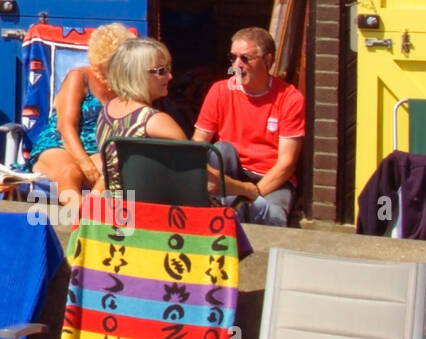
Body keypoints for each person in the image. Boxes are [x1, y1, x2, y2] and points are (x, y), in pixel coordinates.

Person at [192, 27, 305, 227]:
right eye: (232, 58)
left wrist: (252, 195)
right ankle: (213, 212)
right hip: (231, 175)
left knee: (274, 222)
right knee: (221, 149)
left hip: (270, 180)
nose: (237, 65)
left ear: (268, 61)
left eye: (245, 58)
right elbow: (197, 144)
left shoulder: (290, 98)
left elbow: (286, 164)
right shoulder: (220, 91)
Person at [24, 23, 135, 208]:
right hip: (60, 143)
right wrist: (83, 162)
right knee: (69, 172)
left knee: (110, 172)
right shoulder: (79, 77)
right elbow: (65, 126)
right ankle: (75, 218)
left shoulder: (127, 84)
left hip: (99, 148)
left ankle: (90, 218)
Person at [95, 36, 188, 193]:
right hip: (156, 209)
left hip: (118, 204)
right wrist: (245, 187)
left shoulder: (107, 110)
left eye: (168, 69)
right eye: (161, 71)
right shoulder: (155, 121)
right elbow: (204, 178)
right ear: (138, 74)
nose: (170, 76)